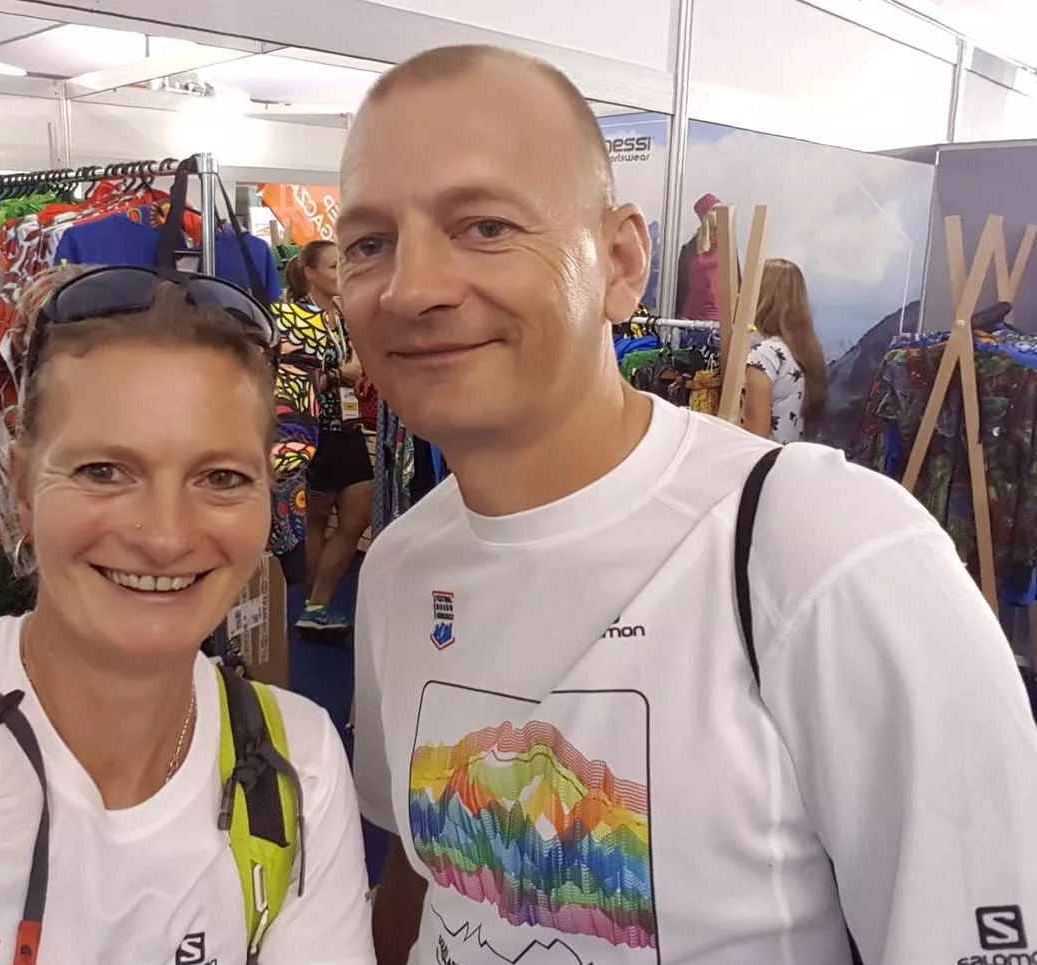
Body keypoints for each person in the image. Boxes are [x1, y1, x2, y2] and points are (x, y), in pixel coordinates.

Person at [341, 44, 1037, 965]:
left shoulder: (830, 556)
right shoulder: (401, 565)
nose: (412, 288)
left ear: (621, 261)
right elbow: (423, 875)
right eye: (369, 243)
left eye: (486, 226)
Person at [0, 267, 374, 964]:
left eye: (222, 477)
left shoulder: (299, 763)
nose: (164, 535)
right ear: (21, 488)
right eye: (103, 471)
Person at [277, 242, 374, 632]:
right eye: (333, 266)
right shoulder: (292, 318)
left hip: (347, 426)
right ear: (310, 273)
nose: (341, 273)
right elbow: (289, 380)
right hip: (313, 428)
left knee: (355, 515)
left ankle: (316, 601)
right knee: (316, 517)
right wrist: (339, 374)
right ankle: (311, 606)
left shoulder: (341, 315)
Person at [744, 257, 827, 444]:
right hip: (794, 456)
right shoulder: (804, 352)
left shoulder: (763, 355)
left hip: (767, 458)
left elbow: (755, 435)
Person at [674, 192, 724, 321]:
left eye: (721, 209)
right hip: (692, 318)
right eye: (714, 210)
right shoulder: (689, 250)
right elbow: (681, 286)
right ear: (704, 215)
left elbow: (737, 283)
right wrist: (677, 316)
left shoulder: (727, 247)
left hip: (720, 318)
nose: (719, 213)